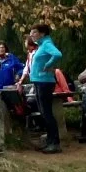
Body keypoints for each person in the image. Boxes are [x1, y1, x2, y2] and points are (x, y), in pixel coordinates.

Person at [28, 24, 63, 154]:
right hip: (39, 81)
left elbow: (57, 54)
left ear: (42, 33)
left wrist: (48, 65)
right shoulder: (41, 45)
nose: (31, 35)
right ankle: (49, 141)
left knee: (47, 113)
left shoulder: (47, 43)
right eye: (31, 33)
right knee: (43, 113)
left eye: (34, 32)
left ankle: (55, 143)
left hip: (45, 82)